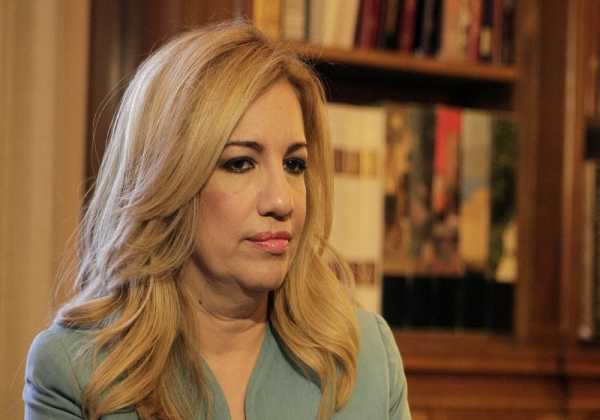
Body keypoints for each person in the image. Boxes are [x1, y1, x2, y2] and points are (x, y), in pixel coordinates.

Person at [23, 20, 411, 420]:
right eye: (240, 163)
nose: (281, 201)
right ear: (170, 179)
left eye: (294, 164)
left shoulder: (367, 357)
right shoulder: (75, 370)